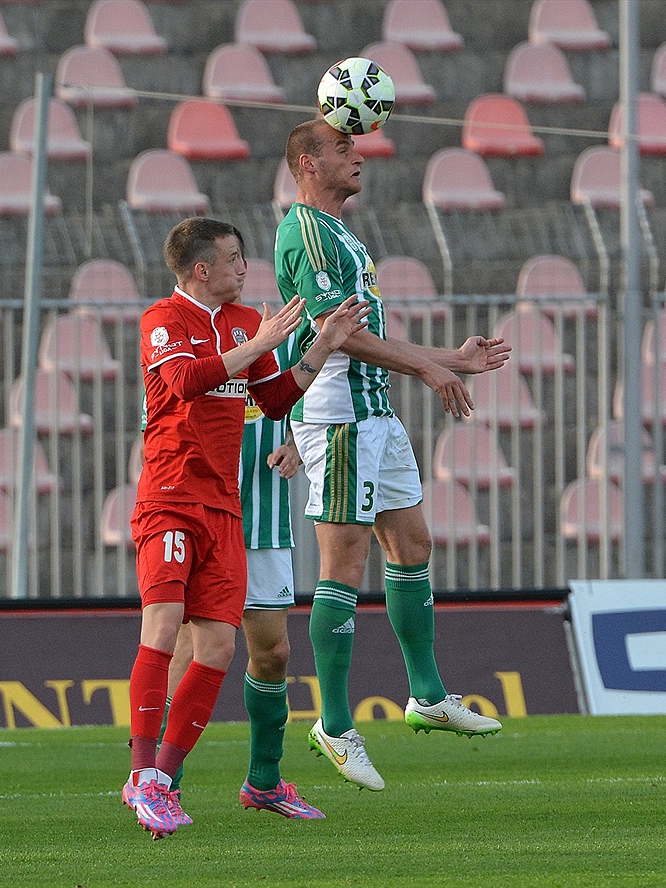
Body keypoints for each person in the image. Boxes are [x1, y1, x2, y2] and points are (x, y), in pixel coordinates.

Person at [274, 119, 512, 792]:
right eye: (343, 148)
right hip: (340, 416)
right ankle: (335, 723)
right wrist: (432, 373)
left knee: (413, 544)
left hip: (374, 413)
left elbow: (369, 336)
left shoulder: (343, 233)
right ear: (307, 164)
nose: (359, 155)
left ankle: (427, 694)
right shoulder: (308, 231)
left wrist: (451, 358)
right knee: (344, 563)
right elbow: (339, 340)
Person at [122, 216, 369, 839]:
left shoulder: (238, 325)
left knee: (221, 648)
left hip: (224, 506)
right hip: (171, 499)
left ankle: (165, 781)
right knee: (163, 624)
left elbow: (278, 398)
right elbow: (181, 383)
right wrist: (260, 343)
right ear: (201, 268)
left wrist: (323, 346)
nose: (244, 267)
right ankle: (142, 773)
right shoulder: (163, 320)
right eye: (234, 258)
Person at [158, 332, 325, 820]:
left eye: (242, 259)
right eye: (231, 258)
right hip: (206, 517)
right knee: (188, 650)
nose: (240, 270)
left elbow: (313, 401)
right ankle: (164, 783)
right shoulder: (186, 346)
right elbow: (163, 422)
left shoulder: (285, 343)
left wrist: (299, 440)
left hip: (264, 518)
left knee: (274, 653)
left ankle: (264, 782)